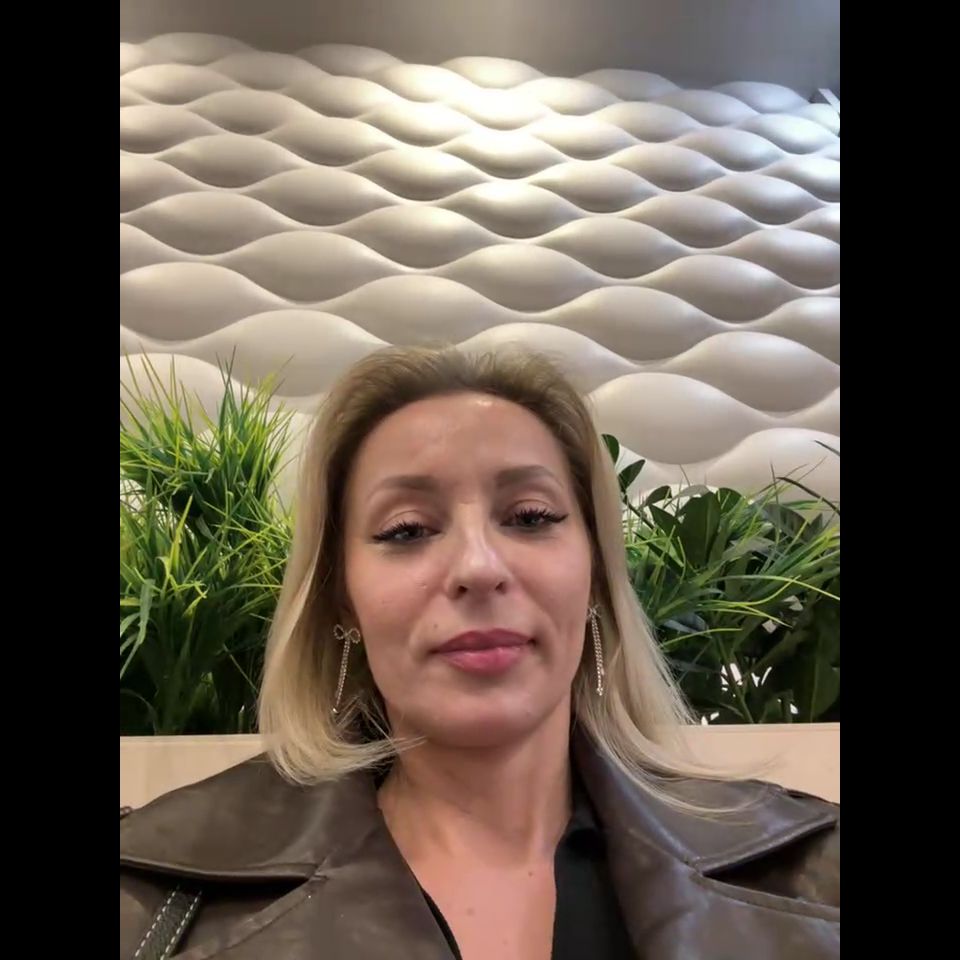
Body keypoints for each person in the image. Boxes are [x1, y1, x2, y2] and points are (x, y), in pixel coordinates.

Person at [120, 348, 839, 960]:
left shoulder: (814, 873)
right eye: (407, 530)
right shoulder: (153, 901)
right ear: (342, 598)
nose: (479, 566)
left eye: (530, 516)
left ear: (594, 575)